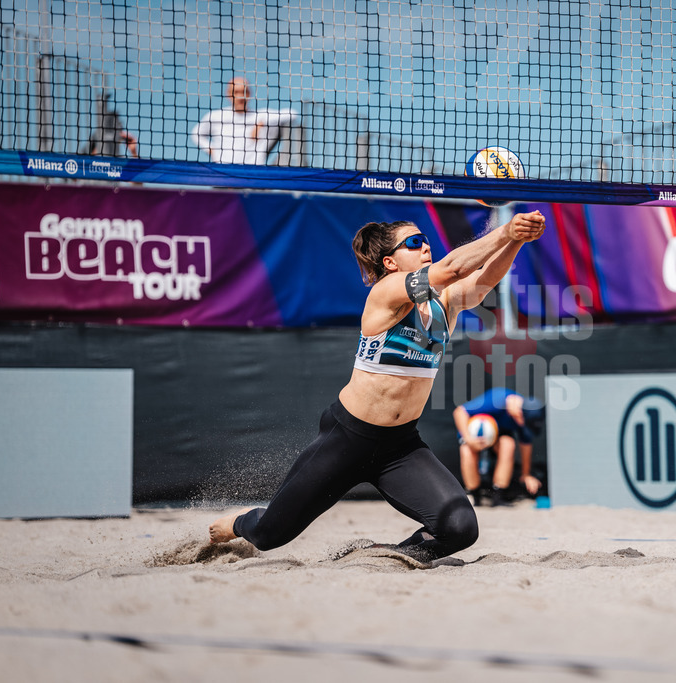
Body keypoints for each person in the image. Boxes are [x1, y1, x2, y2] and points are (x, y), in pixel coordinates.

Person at [209, 211, 547, 563]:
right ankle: (242, 521)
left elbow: (483, 279)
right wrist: (505, 230)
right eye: (414, 243)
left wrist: (516, 241)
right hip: (348, 438)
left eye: (426, 240)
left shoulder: (444, 302)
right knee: (268, 536)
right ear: (390, 261)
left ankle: (384, 557)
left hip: (399, 447)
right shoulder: (386, 292)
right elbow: (454, 269)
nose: (425, 246)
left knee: (461, 527)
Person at [453, 389, 545, 506]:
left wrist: (526, 474)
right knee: (466, 449)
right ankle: (475, 494)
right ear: (519, 414)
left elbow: (526, 445)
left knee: (508, 444)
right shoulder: (498, 400)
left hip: (499, 438)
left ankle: (498, 494)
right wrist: (469, 439)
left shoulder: (525, 417)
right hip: (475, 433)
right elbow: (459, 412)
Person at [190, 77, 300, 165]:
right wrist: (211, 150)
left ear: (249, 94)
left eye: (244, 92)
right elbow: (196, 134)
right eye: (236, 92)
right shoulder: (216, 116)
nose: (240, 96)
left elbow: (292, 114)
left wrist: (261, 122)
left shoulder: (259, 115)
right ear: (229, 95)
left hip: (252, 177)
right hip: (224, 177)